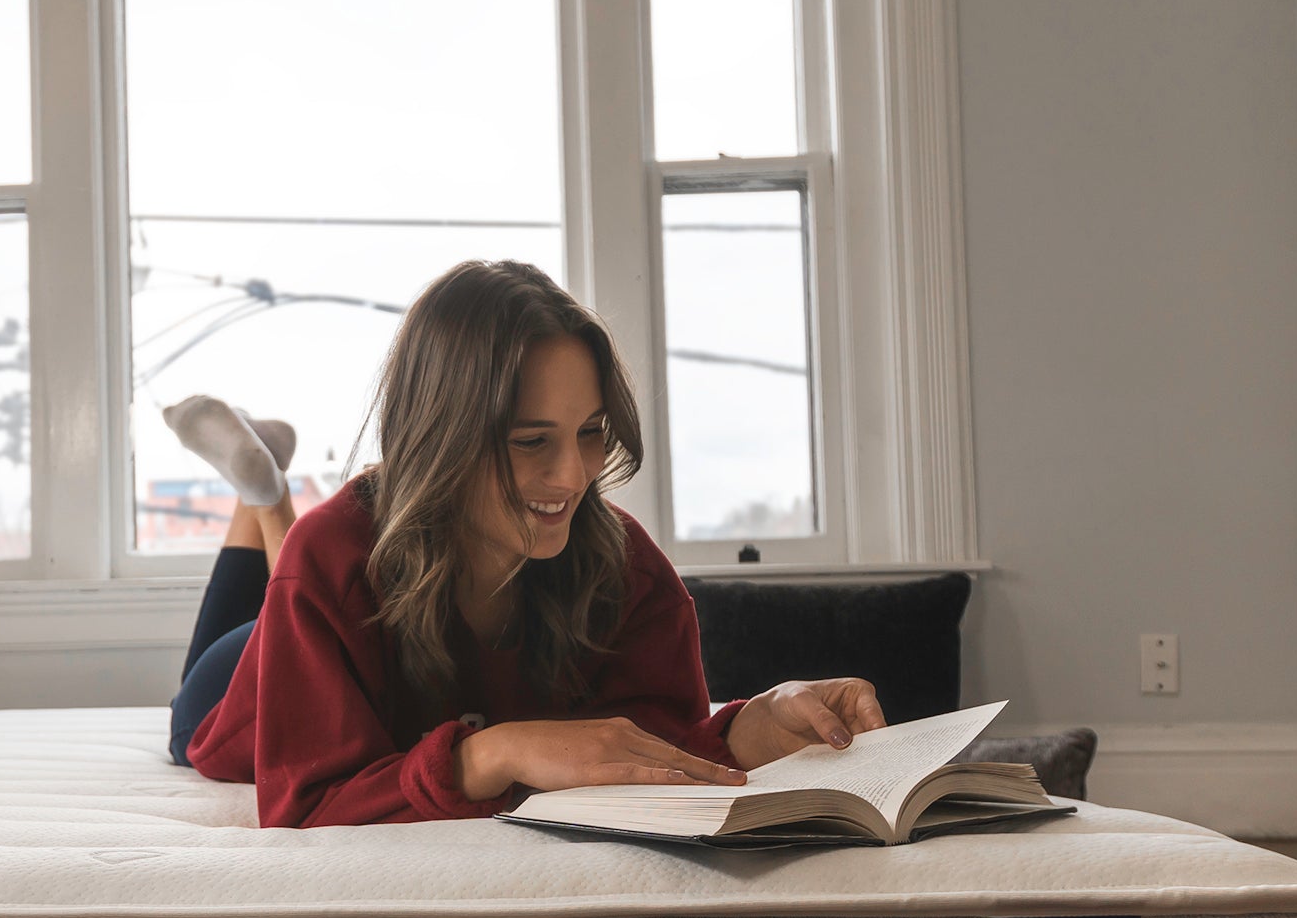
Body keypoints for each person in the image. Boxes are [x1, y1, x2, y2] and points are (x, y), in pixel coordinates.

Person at [163, 258, 885, 827]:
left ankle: (258, 485)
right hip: (241, 680)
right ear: (442, 440)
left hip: (325, 595)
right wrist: (495, 750)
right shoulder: (329, 561)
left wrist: (758, 724)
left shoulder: (627, 570)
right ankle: (263, 497)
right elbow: (305, 803)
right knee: (190, 723)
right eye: (532, 441)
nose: (574, 476)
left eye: (591, 433)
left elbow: (650, 754)